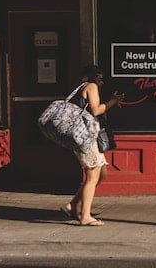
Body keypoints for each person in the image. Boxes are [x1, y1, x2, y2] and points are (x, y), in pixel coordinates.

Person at [60, 65, 122, 226]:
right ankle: (85, 216)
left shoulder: (81, 86)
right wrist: (113, 102)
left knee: (102, 174)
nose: (102, 82)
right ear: (95, 77)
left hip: (84, 136)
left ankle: (73, 205)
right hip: (86, 137)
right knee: (92, 177)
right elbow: (95, 110)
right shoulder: (91, 87)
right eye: (100, 78)